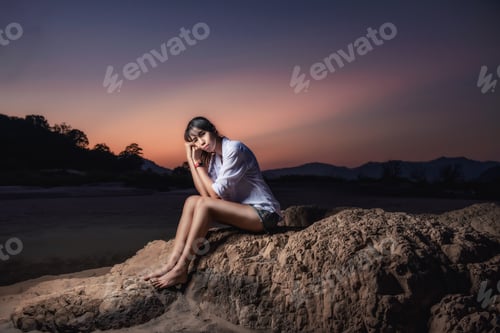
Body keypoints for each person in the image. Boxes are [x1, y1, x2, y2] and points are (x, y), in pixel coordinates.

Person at [144, 116, 282, 289]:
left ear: (213, 130)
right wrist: (191, 157)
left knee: (202, 204)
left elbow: (213, 198)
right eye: (195, 141)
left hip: (264, 214)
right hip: (245, 211)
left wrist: (199, 163)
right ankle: (171, 263)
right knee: (192, 201)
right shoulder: (216, 158)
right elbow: (205, 195)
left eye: (202, 135)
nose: (201, 142)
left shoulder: (234, 149)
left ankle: (181, 269)